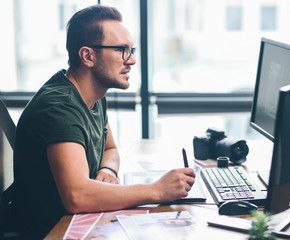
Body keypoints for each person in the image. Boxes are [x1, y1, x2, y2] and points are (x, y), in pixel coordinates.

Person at [13, 4, 195, 238]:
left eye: (131, 50)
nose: (131, 60)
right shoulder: (59, 106)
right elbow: (76, 196)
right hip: (53, 232)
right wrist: (156, 190)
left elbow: (110, 148)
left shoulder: (93, 94)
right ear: (88, 56)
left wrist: (107, 169)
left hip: (79, 223)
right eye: (121, 50)